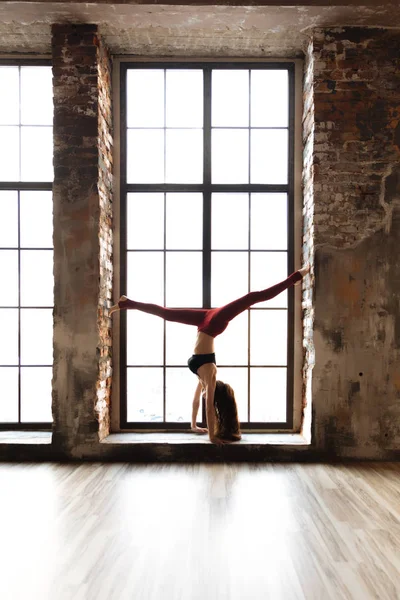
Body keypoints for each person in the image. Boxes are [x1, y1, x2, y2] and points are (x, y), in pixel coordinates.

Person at [110, 265, 310, 445]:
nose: (208, 395)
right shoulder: (210, 375)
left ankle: (127, 303)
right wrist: (212, 437)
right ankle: (297, 276)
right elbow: (207, 406)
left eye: (209, 394)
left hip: (205, 322)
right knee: (253, 297)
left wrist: (193, 426)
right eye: (211, 395)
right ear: (216, 394)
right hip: (213, 322)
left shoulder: (202, 379)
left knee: (168, 314)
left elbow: (196, 402)